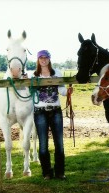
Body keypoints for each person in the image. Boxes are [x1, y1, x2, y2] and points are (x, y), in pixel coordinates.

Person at [33, 50, 73, 180]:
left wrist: (67, 91)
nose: (43, 60)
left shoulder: (57, 73)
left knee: (59, 144)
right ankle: (47, 172)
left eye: (46, 57)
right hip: (40, 112)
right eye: (41, 58)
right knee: (43, 145)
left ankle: (60, 172)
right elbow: (28, 91)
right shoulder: (33, 75)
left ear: (49, 59)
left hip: (55, 110)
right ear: (38, 60)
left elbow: (61, 90)